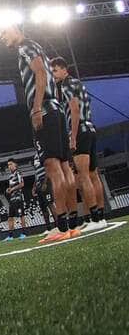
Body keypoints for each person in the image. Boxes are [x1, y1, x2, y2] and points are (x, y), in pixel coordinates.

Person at [0, 25, 80, 242]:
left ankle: (61, 226)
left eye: (4, 32)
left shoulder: (25, 47)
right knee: (64, 167)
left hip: (45, 110)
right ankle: (73, 223)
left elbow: (41, 74)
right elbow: (47, 75)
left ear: (15, 28)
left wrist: (36, 108)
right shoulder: (37, 47)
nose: (2, 37)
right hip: (56, 110)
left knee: (53, 167)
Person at [51, 57, 106, 229]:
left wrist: (73, 137)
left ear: (64, 69)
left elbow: (74, 110)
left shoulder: (67, 85)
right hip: (90, 128)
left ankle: (95, 219)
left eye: (55, 71)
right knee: (93, 174)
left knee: (83, 176)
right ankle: (100, 217)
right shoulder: (78, 83)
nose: (53, 75)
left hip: (80, 130)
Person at [31, 149, 55, 234]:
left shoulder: (43, 152)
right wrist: (34, 186)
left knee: (50, 204)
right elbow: (36, 172)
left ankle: (58, 226)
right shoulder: (35, 156)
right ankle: (49, 228)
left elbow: (48, 167)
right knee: (43, 208)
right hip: (38, 184)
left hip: (45, 181)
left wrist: (45, 182)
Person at [3, 160, 27, 240]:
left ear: (15, 164)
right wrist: (8, 189)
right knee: (10, 217)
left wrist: (12, 189)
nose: (9, 166)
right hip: (12, 198)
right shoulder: (10, 176)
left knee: (21, 215)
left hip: (18, 197)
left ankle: (24, 233)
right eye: (8, 165)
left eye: (11, 164)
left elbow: (22, 184)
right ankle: (10, 236)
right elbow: (11, 187)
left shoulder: (18, 173)